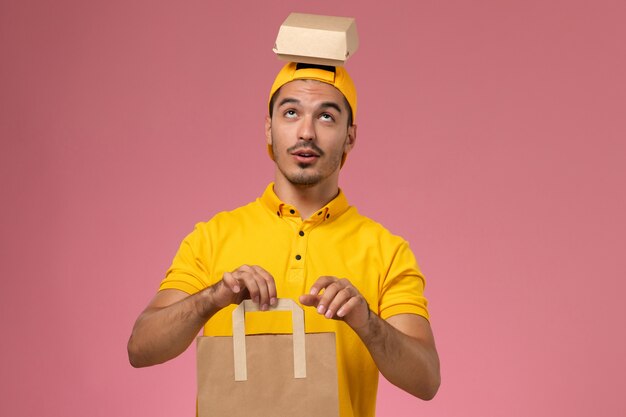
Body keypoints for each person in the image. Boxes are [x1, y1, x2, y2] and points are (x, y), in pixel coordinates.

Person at [127, 62, 440, 417]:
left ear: (350, 135)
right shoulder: (212, 237)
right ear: (268, 128)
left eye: (326, 117)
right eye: (291, 113)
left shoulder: (387, 251)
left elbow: (426, 379)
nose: (306, 132)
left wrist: (367, 322)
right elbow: (140, 348)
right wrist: (212, 298)